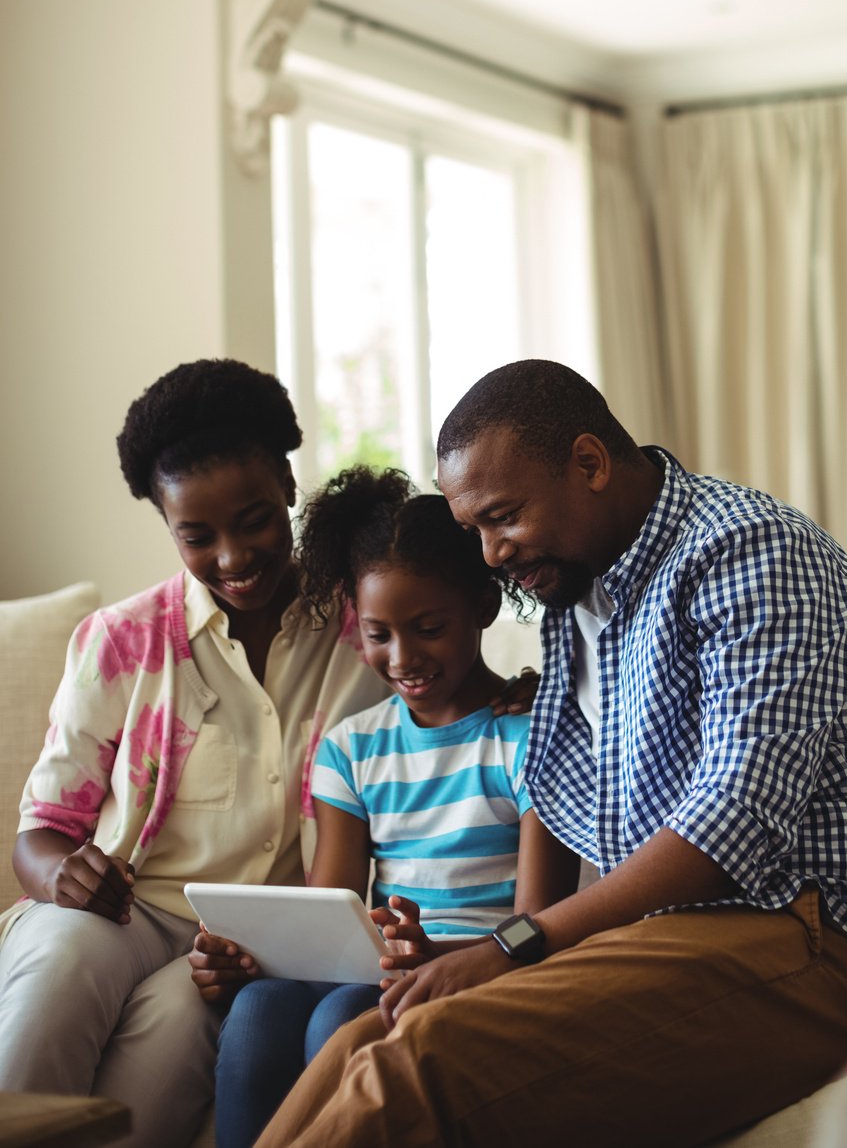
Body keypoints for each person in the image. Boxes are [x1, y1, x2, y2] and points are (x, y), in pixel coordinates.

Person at [254, 359, 847, 1148]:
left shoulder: (746, 550)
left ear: (588, 463)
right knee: (360, 1043)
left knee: (416, 1063)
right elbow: (568, 811)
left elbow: (733, 824)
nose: (488, 554)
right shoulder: (579, 593)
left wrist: (514, 946)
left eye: (501, 517)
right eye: (474, 528)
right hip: (682, 937)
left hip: (826, 943)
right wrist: (475, 950)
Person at [0, 359, 528, 1148]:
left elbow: (439, 635)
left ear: (287, 484)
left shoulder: (364, 627)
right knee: (61, 971)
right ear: (166, 525)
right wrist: (58, 870)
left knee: (170, 1058)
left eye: (252, 520)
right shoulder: (120, 642)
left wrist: (519, 692)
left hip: (250, 945)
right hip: (120, 911)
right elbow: (41, 829)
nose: (233, 557)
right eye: (196, 536)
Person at [209, 464, 575, 1148]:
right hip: (388, 966)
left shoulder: (529, 739)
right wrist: (246, 957)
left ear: (482, 607)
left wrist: (440, 953)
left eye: (429, 627)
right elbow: (328, 919)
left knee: (339, 1020)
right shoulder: (351, 750)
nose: (403, 656)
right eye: (378, 634)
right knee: (259, 1009)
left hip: (487, 963)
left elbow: (540, 926)